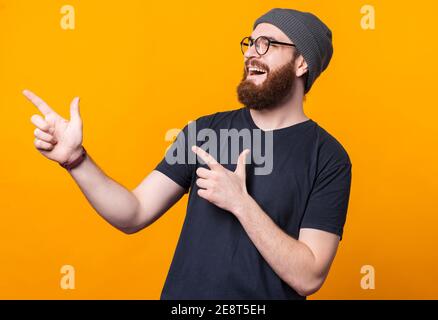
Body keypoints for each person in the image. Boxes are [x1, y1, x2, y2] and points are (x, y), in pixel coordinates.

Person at [23, 8, 352, 299]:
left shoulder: (328, 158)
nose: (252, 52)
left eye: (267, 44)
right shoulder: (205, 131)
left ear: (301, 62)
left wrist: (241, 203)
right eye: (250, 43)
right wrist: (75, 160)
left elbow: (309, 276)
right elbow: (133, 213)